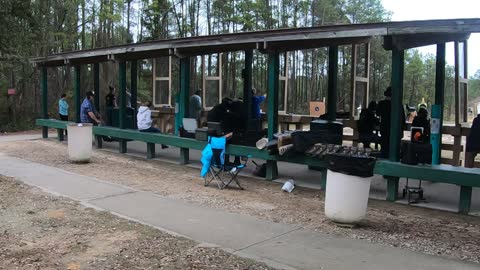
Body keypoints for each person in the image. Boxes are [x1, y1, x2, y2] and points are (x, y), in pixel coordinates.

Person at [376, 86, 405, 158]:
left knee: (384, 148)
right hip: (395, 130)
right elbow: (403, 119)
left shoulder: (381, 103)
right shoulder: (399, 105)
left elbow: (377, 113)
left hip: (384, 128)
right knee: (394, 149)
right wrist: (401, 131)